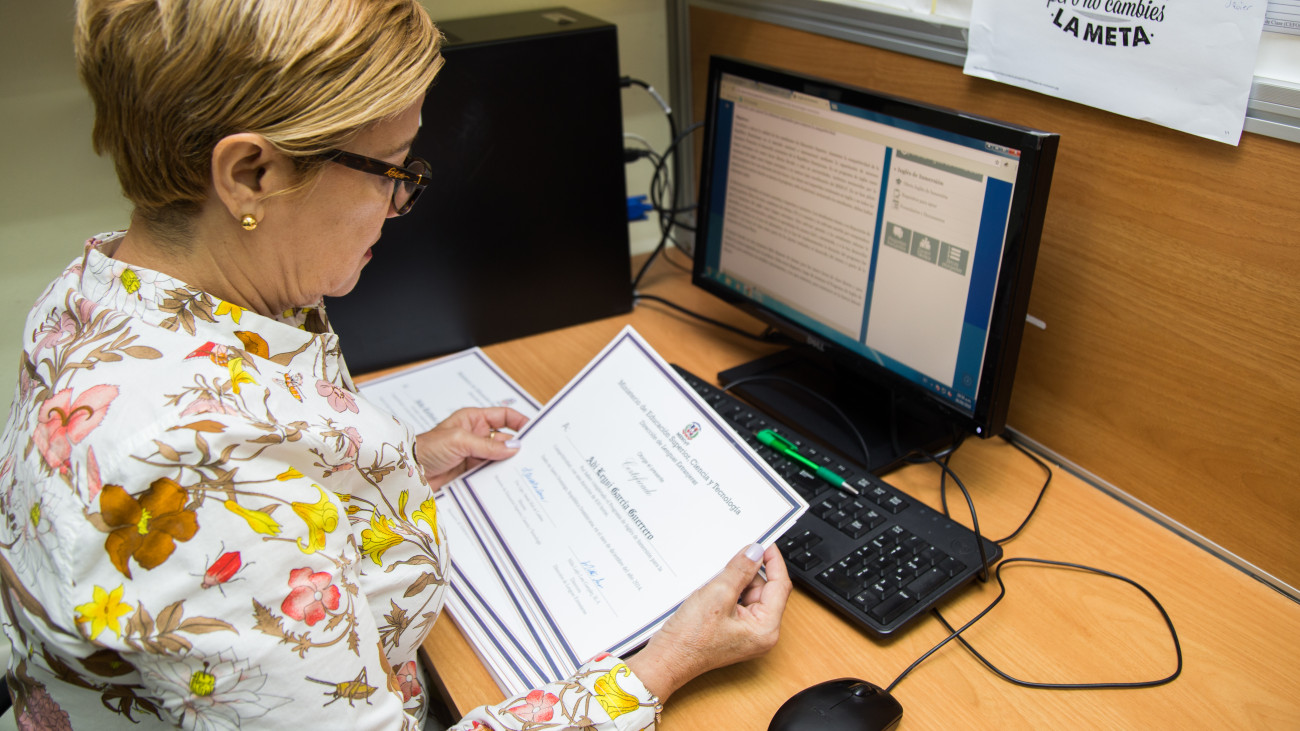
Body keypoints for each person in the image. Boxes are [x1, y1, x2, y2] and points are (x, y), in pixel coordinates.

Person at [0, 1, 792, 729]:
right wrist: (662, 665)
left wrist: (396, 464)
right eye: (392, 169)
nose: (400, 203)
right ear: (250, 175)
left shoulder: (100, 292)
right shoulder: (182, 469)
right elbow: (220, 501)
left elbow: (260, 480)